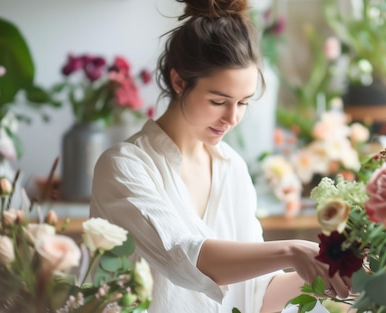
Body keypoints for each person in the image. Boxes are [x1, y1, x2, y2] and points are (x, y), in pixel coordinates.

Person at [89, 0, 351, 312]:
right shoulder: (125, 167)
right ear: (178, 81)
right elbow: (181, 256)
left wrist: (332, 271)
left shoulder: (232, 168)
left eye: (243, 103)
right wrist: (292, 250)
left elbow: (257, 294)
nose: (232, 118)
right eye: (218, 100)